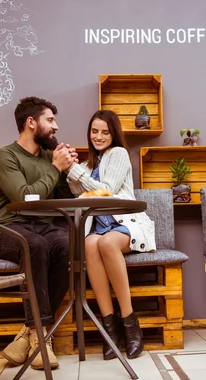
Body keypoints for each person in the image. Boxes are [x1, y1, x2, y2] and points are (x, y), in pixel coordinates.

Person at [0, 96, 78, 370]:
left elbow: (65, 202)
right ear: (31, 123)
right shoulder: (5, 157)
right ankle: (42, 340)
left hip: (46, 227)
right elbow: (26, 198)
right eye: (50, 120)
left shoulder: (52, 158)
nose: (56, 127)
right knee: (35, 246)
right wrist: (55, 169)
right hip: (10, 227)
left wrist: (71, 171)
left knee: (68, 245)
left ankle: (30, 333)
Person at [66, 109, 156, 360]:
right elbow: (76, 191)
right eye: (94, 131)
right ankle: (110, 330)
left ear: (113, 134)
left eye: (105, 132)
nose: (99, 136)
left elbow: (106, 190)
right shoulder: (87, 165)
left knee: (106, 243)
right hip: (98, 227)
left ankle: (129, 323)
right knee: (89, 243)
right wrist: (70, 166)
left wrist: (75, 171)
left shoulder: (119, 154)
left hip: (126, 224)